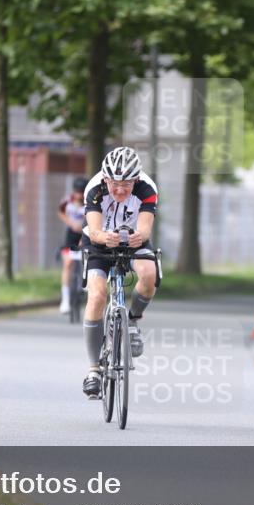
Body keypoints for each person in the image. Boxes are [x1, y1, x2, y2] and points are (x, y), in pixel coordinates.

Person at [80, 146, 159, 398]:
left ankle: (133, 321)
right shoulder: (94, 188)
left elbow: (145, 229)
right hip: (99, 241)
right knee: (97, 296)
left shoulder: (147, 188)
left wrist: (138, 238)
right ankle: (93, 369)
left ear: (136, 179)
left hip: (133, 238)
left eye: (126, 184)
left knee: (148, 274)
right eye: (114, 184)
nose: (120, 190)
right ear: (106, 179)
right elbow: (93, 231)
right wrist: (105, 237)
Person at [57, 176, 88, 313]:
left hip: (86, 234)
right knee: (68, 263)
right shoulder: (66, 201)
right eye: (77, 191)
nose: (79, 195)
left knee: (86, 258)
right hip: (71, 235)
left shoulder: (90, 202)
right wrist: (70, 223)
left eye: (82, 192)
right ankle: (65, 300)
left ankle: (85, 281)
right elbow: (61, 212)